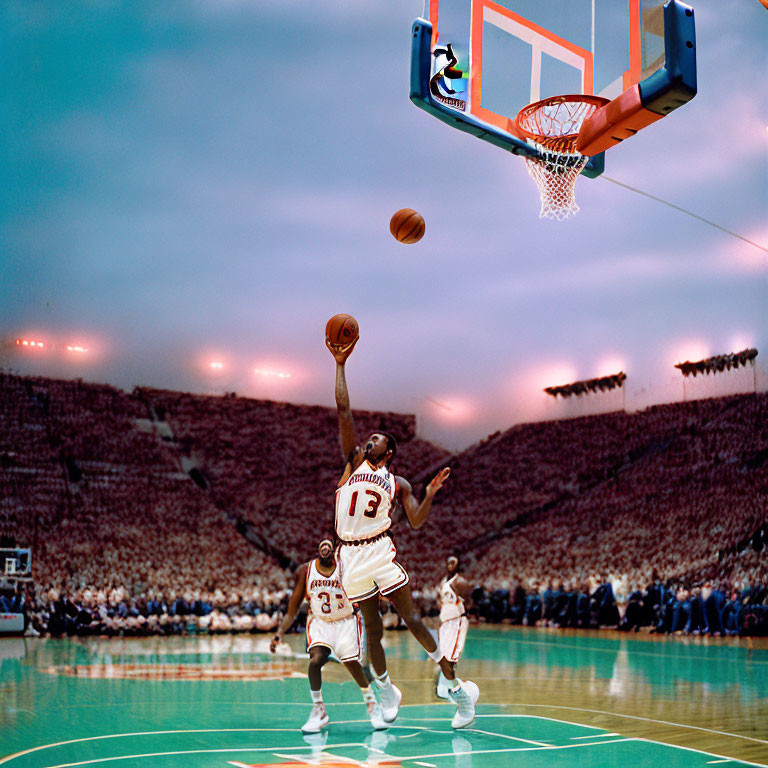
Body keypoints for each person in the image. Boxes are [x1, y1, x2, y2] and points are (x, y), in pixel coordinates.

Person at [327, 337, 479, 729]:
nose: (368, 439)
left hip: (379, 550)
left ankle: (457, 690)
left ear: (388, 451)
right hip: (349, 556)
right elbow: (343, 410)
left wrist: (428, 493)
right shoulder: (351, 464)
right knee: (371, 632)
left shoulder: (398, 482)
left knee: (411, 619)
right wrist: (340, 365)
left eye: (376, 439)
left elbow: (415, 521)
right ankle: (385, 688)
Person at [269, 539, 387, 733]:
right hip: (320, 621)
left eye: (329, 548)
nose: (325, 550)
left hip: (346, 620)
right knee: (315, 661)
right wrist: (279, 634)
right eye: (321, 548)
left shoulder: (348, 568)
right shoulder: (305, 571)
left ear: (335, 552)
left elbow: (367, 590)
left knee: (351, 662)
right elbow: (292, 609)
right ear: (317, 552)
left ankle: (372, 704)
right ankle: (318, 710)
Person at [435, 555, 473, 700]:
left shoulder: (459, 581)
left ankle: (449, 686)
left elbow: (471, 597)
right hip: (445, 622)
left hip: (456, 621)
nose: (450, 564)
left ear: (458, 565)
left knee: (452, 656)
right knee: (444, 655)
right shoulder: (444, 582)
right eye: (448, 562)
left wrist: (465, 611)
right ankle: (443, 687)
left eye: (453, 562)